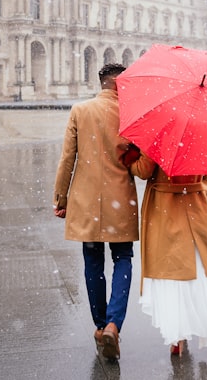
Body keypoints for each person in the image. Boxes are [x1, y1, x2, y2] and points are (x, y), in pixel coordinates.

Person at [123, 148, 207, 356]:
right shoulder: (201, 134)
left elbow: (144, 170)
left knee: (172, 271)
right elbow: (206, 173)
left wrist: (129, 162)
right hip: (195, 205)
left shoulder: (161, 133)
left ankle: (178, 335)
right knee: (200, 267)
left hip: (166, 207)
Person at [53, 63, 138, 360]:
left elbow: (67, 159)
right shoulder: (132, 115)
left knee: (92, 262)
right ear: (119, 84)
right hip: (121, 200)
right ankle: (115, 323)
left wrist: (61, 198)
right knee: (123, 258)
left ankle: (100, 326)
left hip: (85, 201)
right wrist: (133, 155)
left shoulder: (80, 110)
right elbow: (141, 169)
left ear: (102, 83)